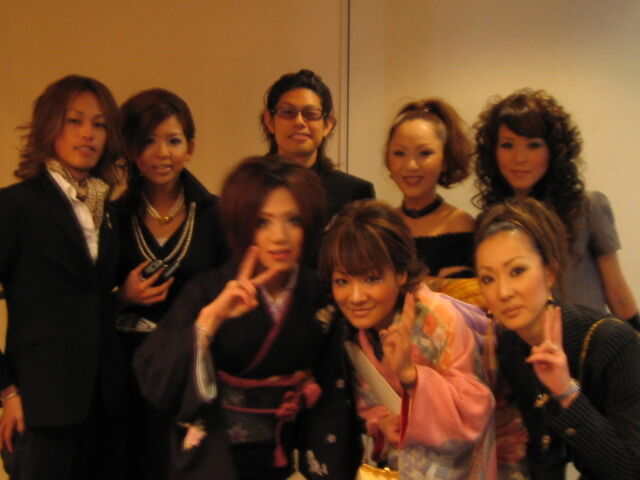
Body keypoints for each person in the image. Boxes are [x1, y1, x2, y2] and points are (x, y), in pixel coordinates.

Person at [133, 156, 361, 480]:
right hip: (217, 455)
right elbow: (154, 374)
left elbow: (333, 391)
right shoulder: (208, 290)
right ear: (242, 225)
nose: (279, 236)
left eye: (293, 220)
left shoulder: (318, 293)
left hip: (291, 454)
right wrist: (210, 319)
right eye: (263, 222)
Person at [0, 75, 128, 479]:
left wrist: (124, 297)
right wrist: (7, 391)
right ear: (50, 125)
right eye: (75, 121)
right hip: (40, 403)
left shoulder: (109, 210)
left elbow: (90, 297)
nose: (88, 133)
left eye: (99, 124)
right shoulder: (15, 205)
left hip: (105, 402)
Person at [318, 199, 496, 480]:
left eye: (371, 279)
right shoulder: (354, 330)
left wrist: (412, 376)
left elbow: (474, 410)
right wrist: (382, 422)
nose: (355, 297)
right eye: (342, 281)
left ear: (401, 273)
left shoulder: (440, 320)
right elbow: (370, 403)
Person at [475, 197, 640, 479]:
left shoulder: (614, 342)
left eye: (517, 271)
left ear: (549, 272)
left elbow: (629, 470)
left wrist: (565, 391)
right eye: (488, 279)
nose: (503, 292)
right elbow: (544, 455)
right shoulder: (512, 344)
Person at [114, 88, 229, 479]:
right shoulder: (115, 215)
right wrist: (123, 296)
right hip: (130, 370)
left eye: (173, 141)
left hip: (193, 371)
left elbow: (228, 294)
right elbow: (92, 297)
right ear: (131, 149)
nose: (162, 153)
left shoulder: (215, 214)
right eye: (148, 141)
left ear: (190, 147)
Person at [474, 89, 638, 328]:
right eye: (507, 145)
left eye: (533, 145)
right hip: (524, 345)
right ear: (493, 152)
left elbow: (617, 293)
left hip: (587, 342)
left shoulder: (587, 207)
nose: (519, 158)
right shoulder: (491, 222)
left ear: (554, 150)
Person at [261, 68, 375, 220]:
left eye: (311, 114)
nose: (299, 122)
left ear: (328, 124)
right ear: (269, 121)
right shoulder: (245, 188)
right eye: (287, 112)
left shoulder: (355, 194)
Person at [386, 98, 475, 278]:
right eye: (399, 153)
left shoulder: (460, 223)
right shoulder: (382, 225)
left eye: (424, 153)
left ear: (445, 159)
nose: (411, 165)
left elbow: (463, 293)